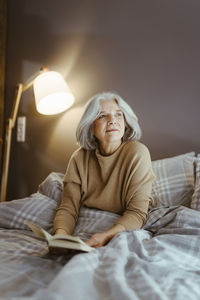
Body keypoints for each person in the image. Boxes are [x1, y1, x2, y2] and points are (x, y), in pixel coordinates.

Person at [54, 92, 155, 248]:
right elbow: (68, 208)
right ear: (90, 127)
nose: (112, 120)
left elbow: (137, 213)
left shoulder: (138, 153)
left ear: (126, 123)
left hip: (122, 226)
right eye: (102, 116)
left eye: (118, 115)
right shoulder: (78, 158)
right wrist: (60, 237)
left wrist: (106, 236)